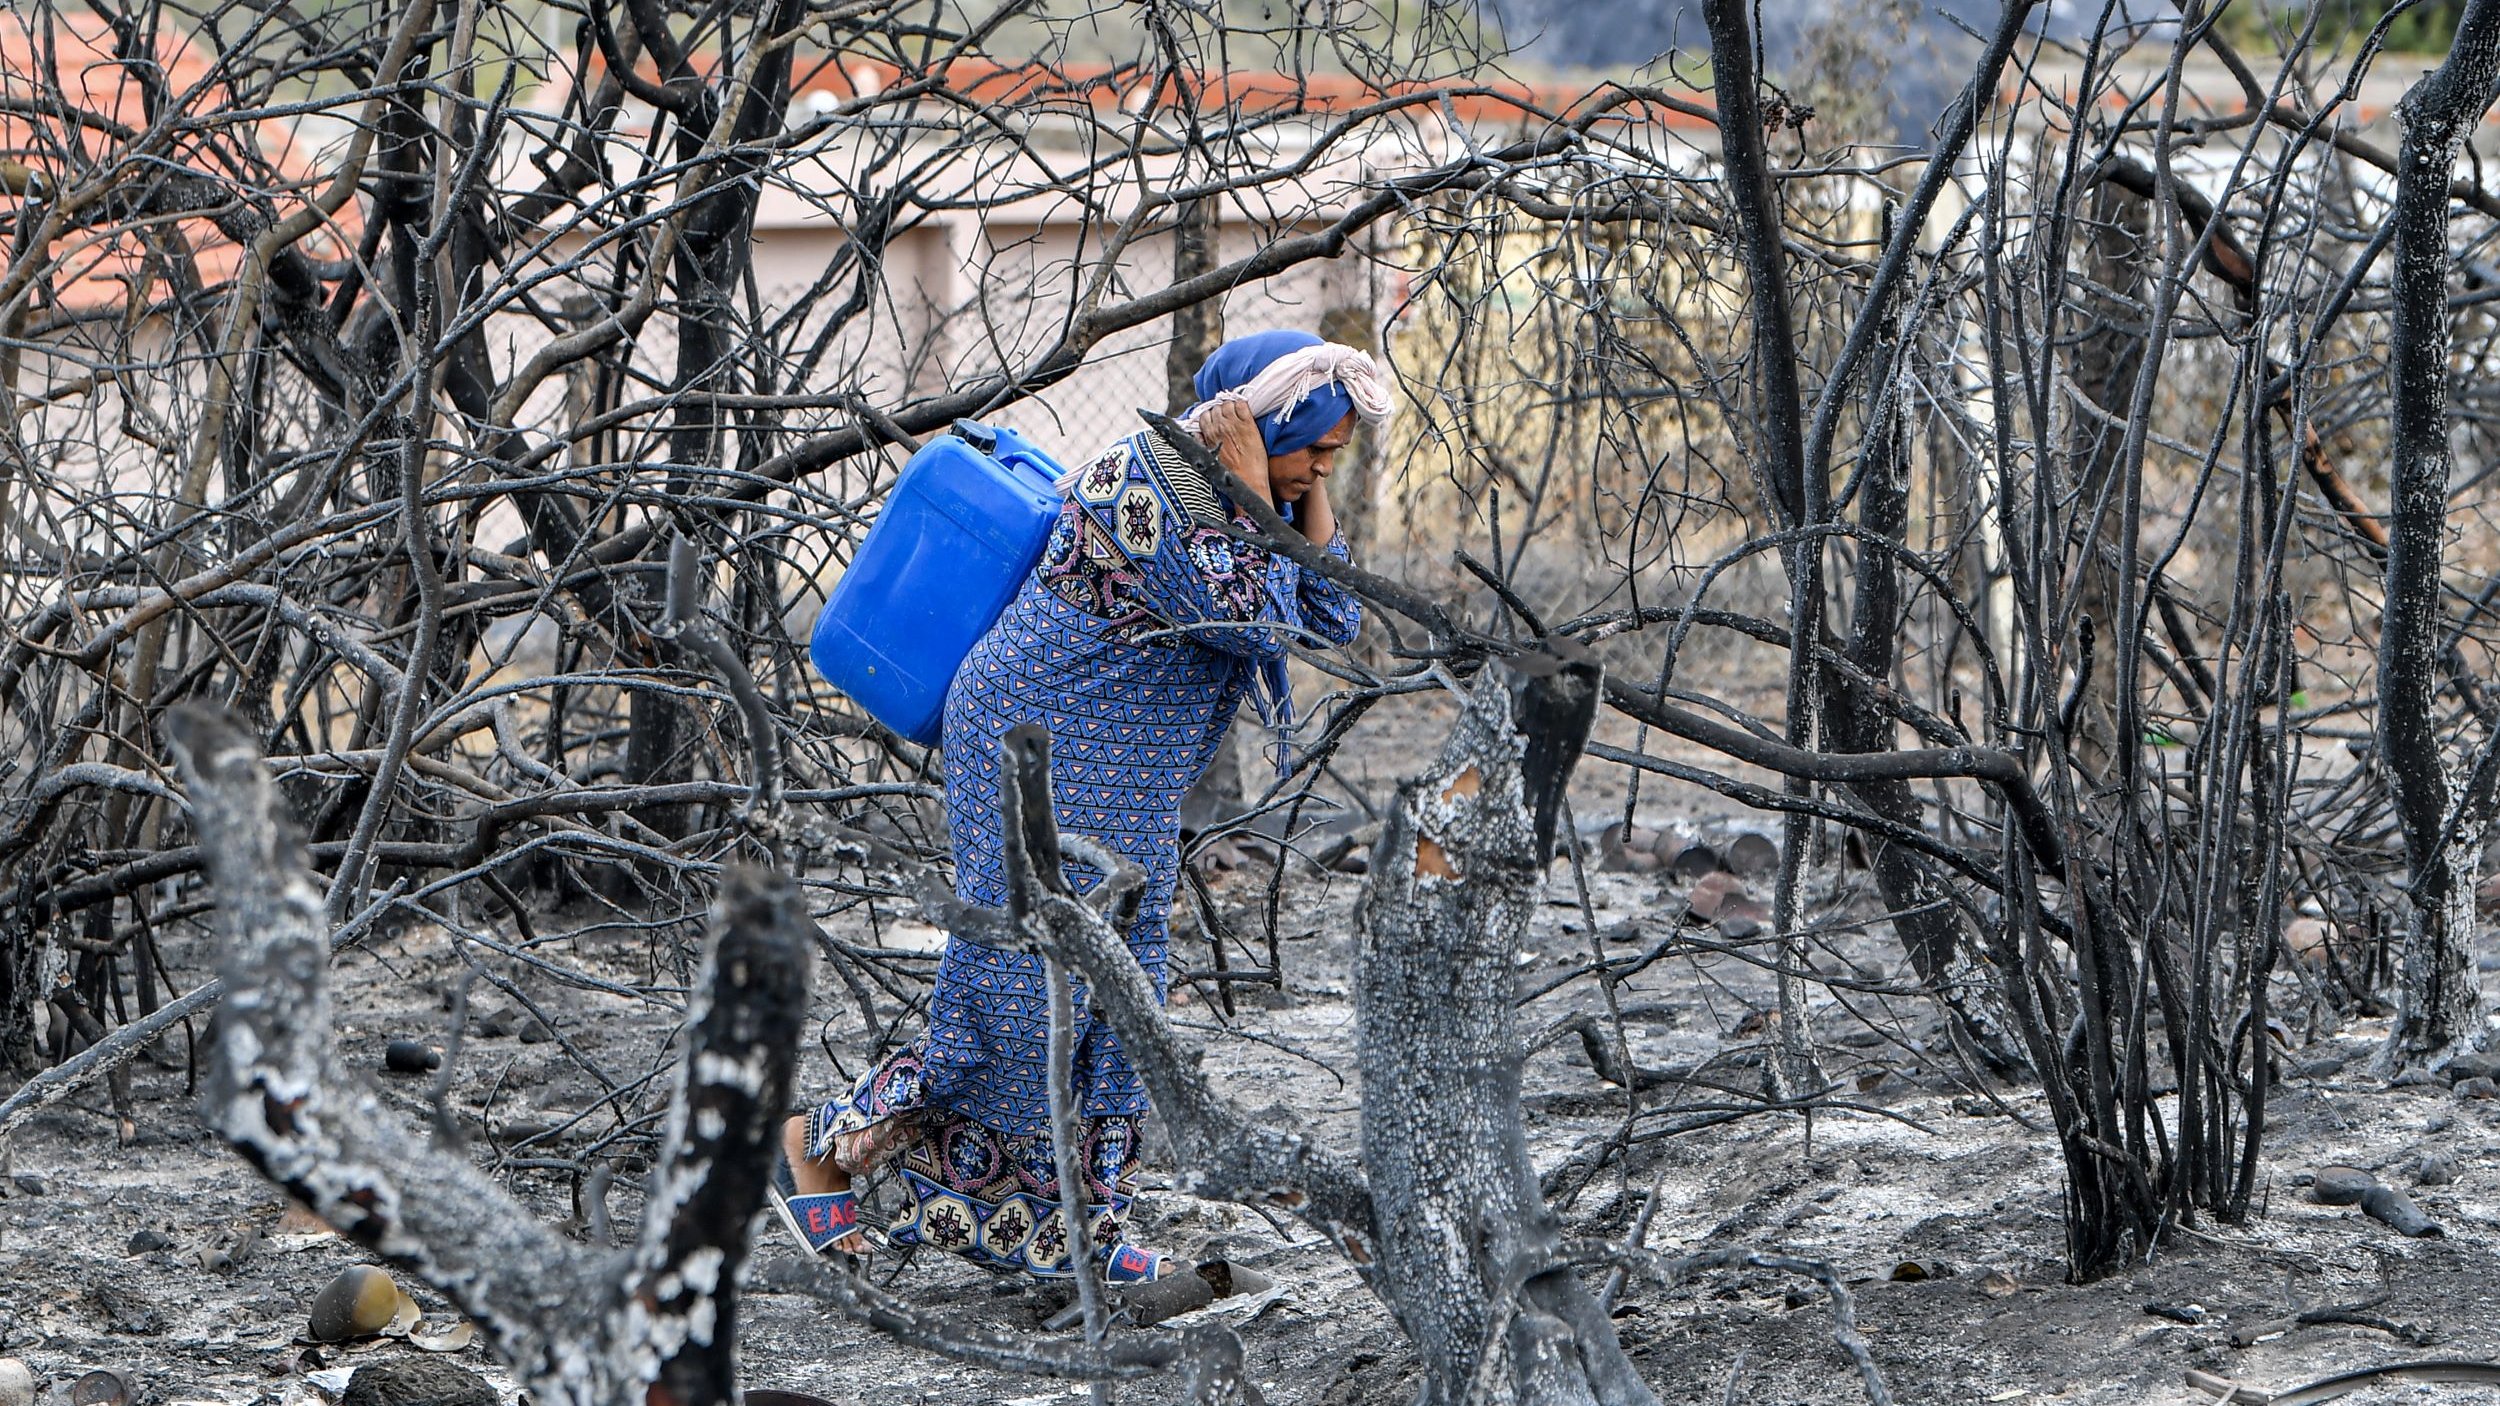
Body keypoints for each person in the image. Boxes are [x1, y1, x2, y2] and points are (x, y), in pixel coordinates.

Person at [771, 329, 1389, 1284]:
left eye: (1333, 457)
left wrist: (1294, 492)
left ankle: (1069, 1235)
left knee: (1113, 1000)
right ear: (1257, 425)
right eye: (1312, 447)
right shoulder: (1154, 486)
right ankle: (819, 1139)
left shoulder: (1229, 496)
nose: (1321, 469)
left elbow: (1332, 613)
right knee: (1019, 988)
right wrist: (1260, 489)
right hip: (1037, 748)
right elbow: (1258, 620)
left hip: (1117, 774)